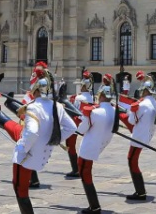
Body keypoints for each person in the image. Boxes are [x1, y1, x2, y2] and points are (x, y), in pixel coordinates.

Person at [11, 67, 77, 213]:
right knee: (21, 189)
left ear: (36, 89)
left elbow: (33, 132)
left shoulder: (33, 108)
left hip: (27, 156)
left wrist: (22, 148)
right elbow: (71, 128)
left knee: (19, 189)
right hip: (43, 154)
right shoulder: (58, 106)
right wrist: (53, 139)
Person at [77, 74, 117, 214]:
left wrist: (82, 119)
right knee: (86, 173)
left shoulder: (95, 112)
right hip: (101, 144)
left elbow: (81, 130)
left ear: (101, 95)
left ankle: (94, 206)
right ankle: (94, 206)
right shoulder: (113, 111)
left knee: (85, 173)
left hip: (88, 147)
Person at [124, 71, 156, 201]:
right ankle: (140, 191)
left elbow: (132, 121)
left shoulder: (142, 104)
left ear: (144, 90)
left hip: (138, 136)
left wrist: (132, 111)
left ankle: (140, 192)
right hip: (147, 134)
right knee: (132, 161)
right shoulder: (153, 102)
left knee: (132, 161)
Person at [63, 70, 94, 178]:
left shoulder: (78, 97)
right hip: (88, 123)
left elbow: (73, 110)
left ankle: (76, 169)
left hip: (77, 123)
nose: (81, 87)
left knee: (70, 145)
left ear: (85, 86)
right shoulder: (91, 97)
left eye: (82, 85)